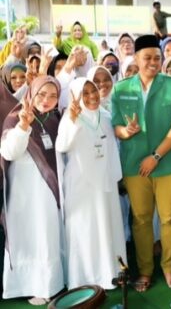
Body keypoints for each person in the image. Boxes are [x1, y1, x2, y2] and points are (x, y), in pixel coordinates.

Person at [111, 34, 171, 291]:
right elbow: (116, 127)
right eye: (147, 58)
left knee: (169, 219)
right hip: (135, 165)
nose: (153, 62)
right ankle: (145, 270)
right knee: (141, 220)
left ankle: (169, 267)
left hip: (168, 163)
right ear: (135, 58)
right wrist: (126, 132)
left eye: (157, 57)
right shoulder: (121, 89)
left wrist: (156, 156)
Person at [56, 78, 126, 289]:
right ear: (75, 96)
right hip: (81, 184)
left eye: (93, 90)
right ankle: (85, 278)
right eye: (84, 93)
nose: (92, 96)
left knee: (107, 225)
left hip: (105, 182)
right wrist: (71, 120)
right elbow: (62, 145)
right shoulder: (71, 117)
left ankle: (110, 274)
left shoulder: (105, 116)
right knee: (84, 228)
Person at [0, 77, 63, 305]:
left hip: (49, 190)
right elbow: (8, 152)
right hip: (24, 190)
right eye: (41, 94)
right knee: (28, 236)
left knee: (47, 235)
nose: (46, 100)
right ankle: (28, 285)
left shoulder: (55, 118)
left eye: (53, 95)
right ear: (32, 93)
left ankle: (51, 283)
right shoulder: (16, 116)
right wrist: (24, 126)